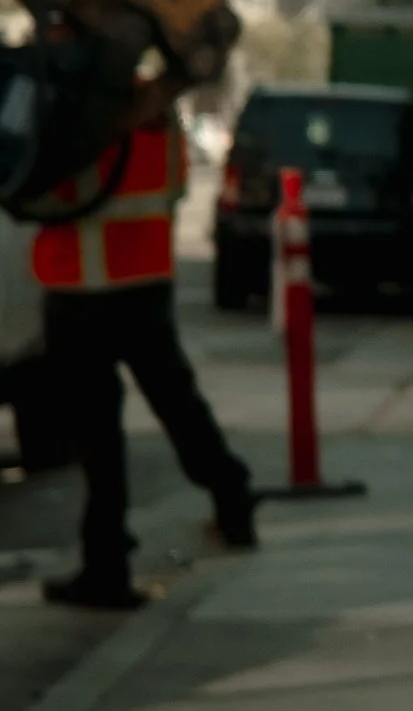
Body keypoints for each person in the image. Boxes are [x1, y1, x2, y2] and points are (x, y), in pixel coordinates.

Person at [29, 106, 257, 610]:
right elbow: (175, 188)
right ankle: (232, 493)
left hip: (81, 285)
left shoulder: (71, 108)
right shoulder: (159, 111)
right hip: (145, 281)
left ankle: (105, 566)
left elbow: (39, 193)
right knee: (177, 403)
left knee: (97, 435)